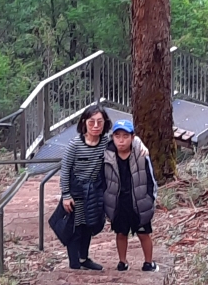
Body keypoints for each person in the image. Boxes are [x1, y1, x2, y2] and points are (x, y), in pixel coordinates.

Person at [59, 103, 111, 270]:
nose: (96, 126)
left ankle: (84, 258)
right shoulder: (74, 145)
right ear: (84, 123)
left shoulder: (105, 142)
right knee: (75, 227)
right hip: (76, 192)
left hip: (93, 192)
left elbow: (126, 140)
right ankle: (74, 263)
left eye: (99, 122)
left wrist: (140, 145)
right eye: (91, 122)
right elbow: (65, 170)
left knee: (89, 225)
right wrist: (66, 195)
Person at [103, 117, 158, 271]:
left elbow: (151, 178)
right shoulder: (107, 154)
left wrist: (150, 199)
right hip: (119, 203)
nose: (121, 140)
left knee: (143, 233)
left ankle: (148, 262)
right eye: (117, 136)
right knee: (121, 233)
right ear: (112, 137)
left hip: (139, 201)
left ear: (133, 137)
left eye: (125, 136)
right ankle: (122, 262)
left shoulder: (141, 154)